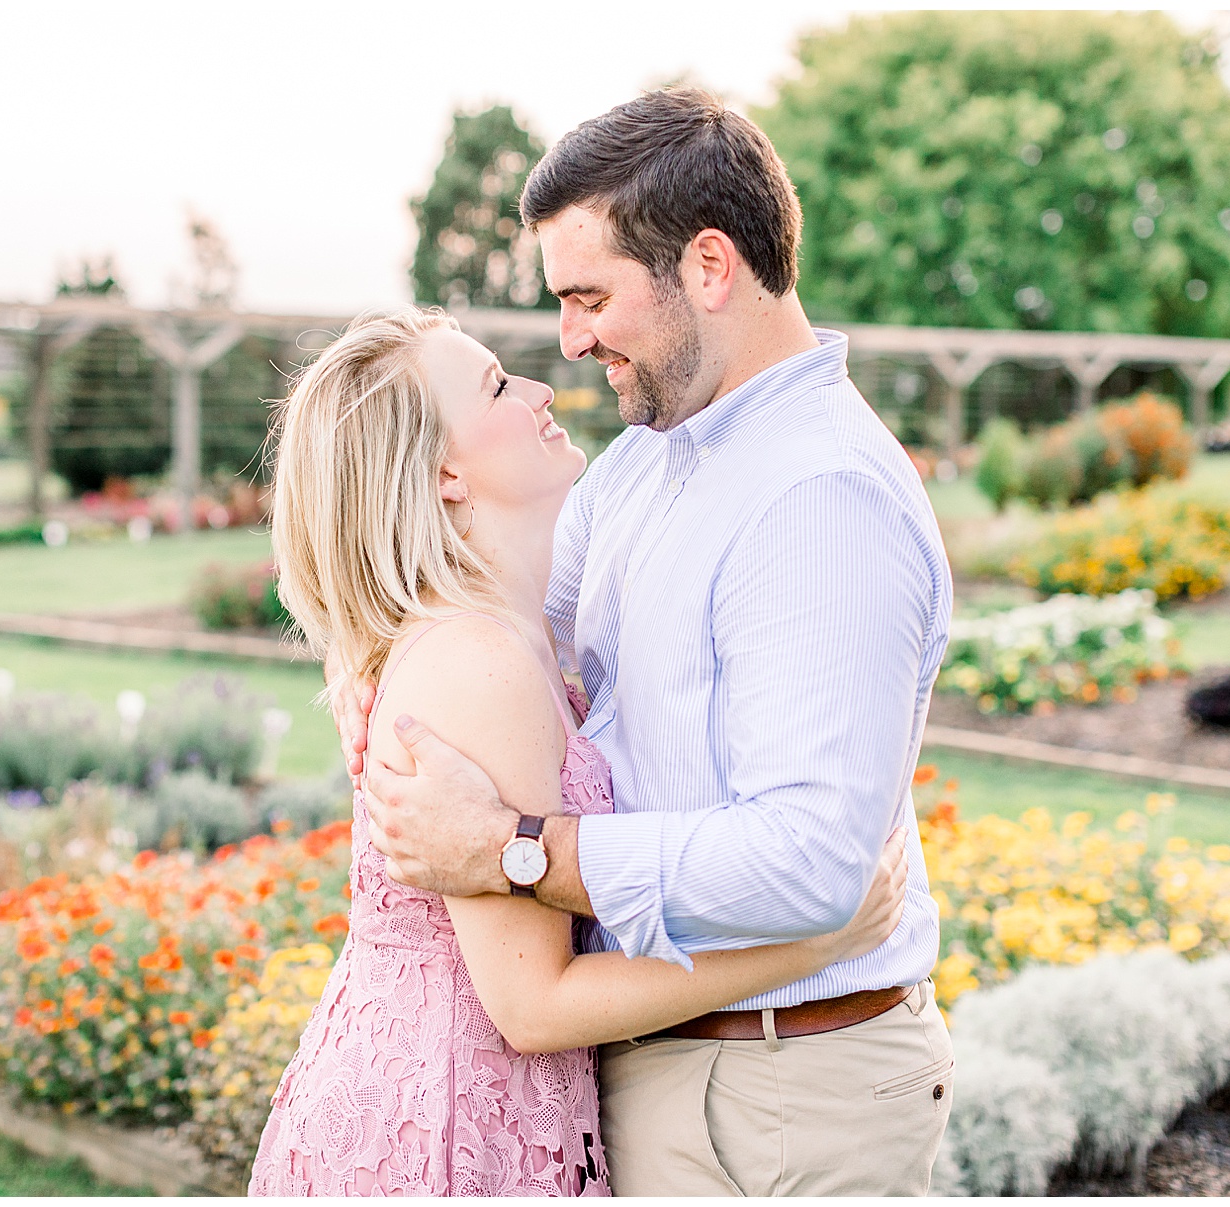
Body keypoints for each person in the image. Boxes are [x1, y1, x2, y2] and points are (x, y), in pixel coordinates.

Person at [346, 88, 957, 1196]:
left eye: (590, 296)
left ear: (710, 267)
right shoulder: (638, 466)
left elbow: (812, 864)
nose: (571, 339)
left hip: (783, 1092)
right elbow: (524, 662)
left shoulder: (819, 499)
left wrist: (511, 852)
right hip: (657, 1061)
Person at [248, 307, 910, 1196]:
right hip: (447, 1131)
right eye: (494, 385)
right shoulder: (478, 662)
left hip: (477, 1103)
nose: (539, 385)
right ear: (445, 472)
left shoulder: (512, 620)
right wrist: (811, 941)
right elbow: (533, 1003)